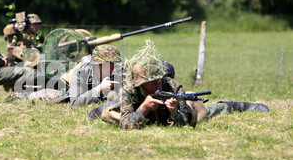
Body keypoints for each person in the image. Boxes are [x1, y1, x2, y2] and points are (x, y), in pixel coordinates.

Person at [99, 40, 269, 129]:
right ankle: (99, 109)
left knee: (202, 112)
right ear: (141, 84)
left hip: (169, 115)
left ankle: (240, 105)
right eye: (152, 82)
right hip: (143, 114)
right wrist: (144, 108)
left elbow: (185, 126)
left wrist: (174, 113)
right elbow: (126, 126)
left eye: (159, 79)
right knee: (108, 114)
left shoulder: (173, 87)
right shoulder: (129, 91)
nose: (158, 84)